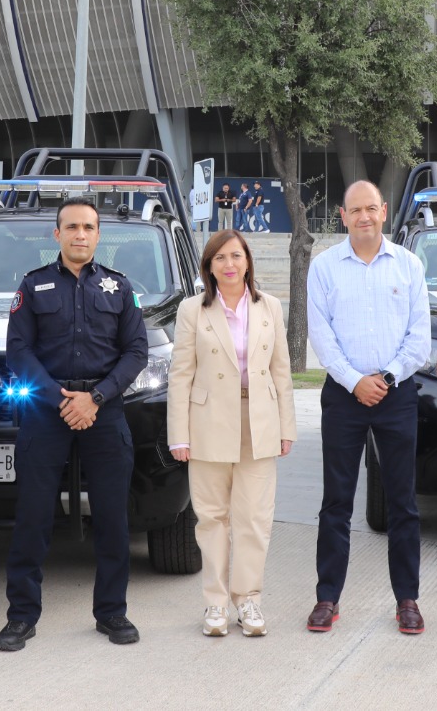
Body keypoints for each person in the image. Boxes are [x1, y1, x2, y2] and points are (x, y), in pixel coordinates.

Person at [0, 196, 148, 651]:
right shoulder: (33, 285)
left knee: (112, 518)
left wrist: (95, 398)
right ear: (56, 235)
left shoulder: (120, 289)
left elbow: (136, 352)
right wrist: (59, 398)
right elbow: (18, 350)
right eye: (72, 227)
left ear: (99, 235)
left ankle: (112, 613)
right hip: (47, 409)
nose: (80, 234)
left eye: (88, 227)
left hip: (104, 410)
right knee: (33, 517)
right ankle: (21, 616)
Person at [305, 180, 430, 635]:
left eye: (371, 209)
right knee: (335, 501)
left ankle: (408, 600)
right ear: (343, 215)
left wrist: (387, 377)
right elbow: (321, 336)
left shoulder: (409, 265)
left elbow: (420, 338)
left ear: (384, 212)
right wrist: (356, 381)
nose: (364, 217)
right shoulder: (323, 267)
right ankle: (327, 598)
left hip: (396, 395)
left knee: (403, 503)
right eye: (355, 210)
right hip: (344, 394)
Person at [168, 230, 297, 636]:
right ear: (209, 266)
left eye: (236, 256)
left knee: (254, 519)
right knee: (211, 519)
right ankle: (215, 605)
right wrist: (179, 436)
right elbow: (181, 375)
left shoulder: (269, 306)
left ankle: (250, 602)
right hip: (208, 424)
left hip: (259, 421)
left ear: (247, 261)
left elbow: (282, 371)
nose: (229, 264)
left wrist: (286, 426)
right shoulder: (193, 310)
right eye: (220, 258)